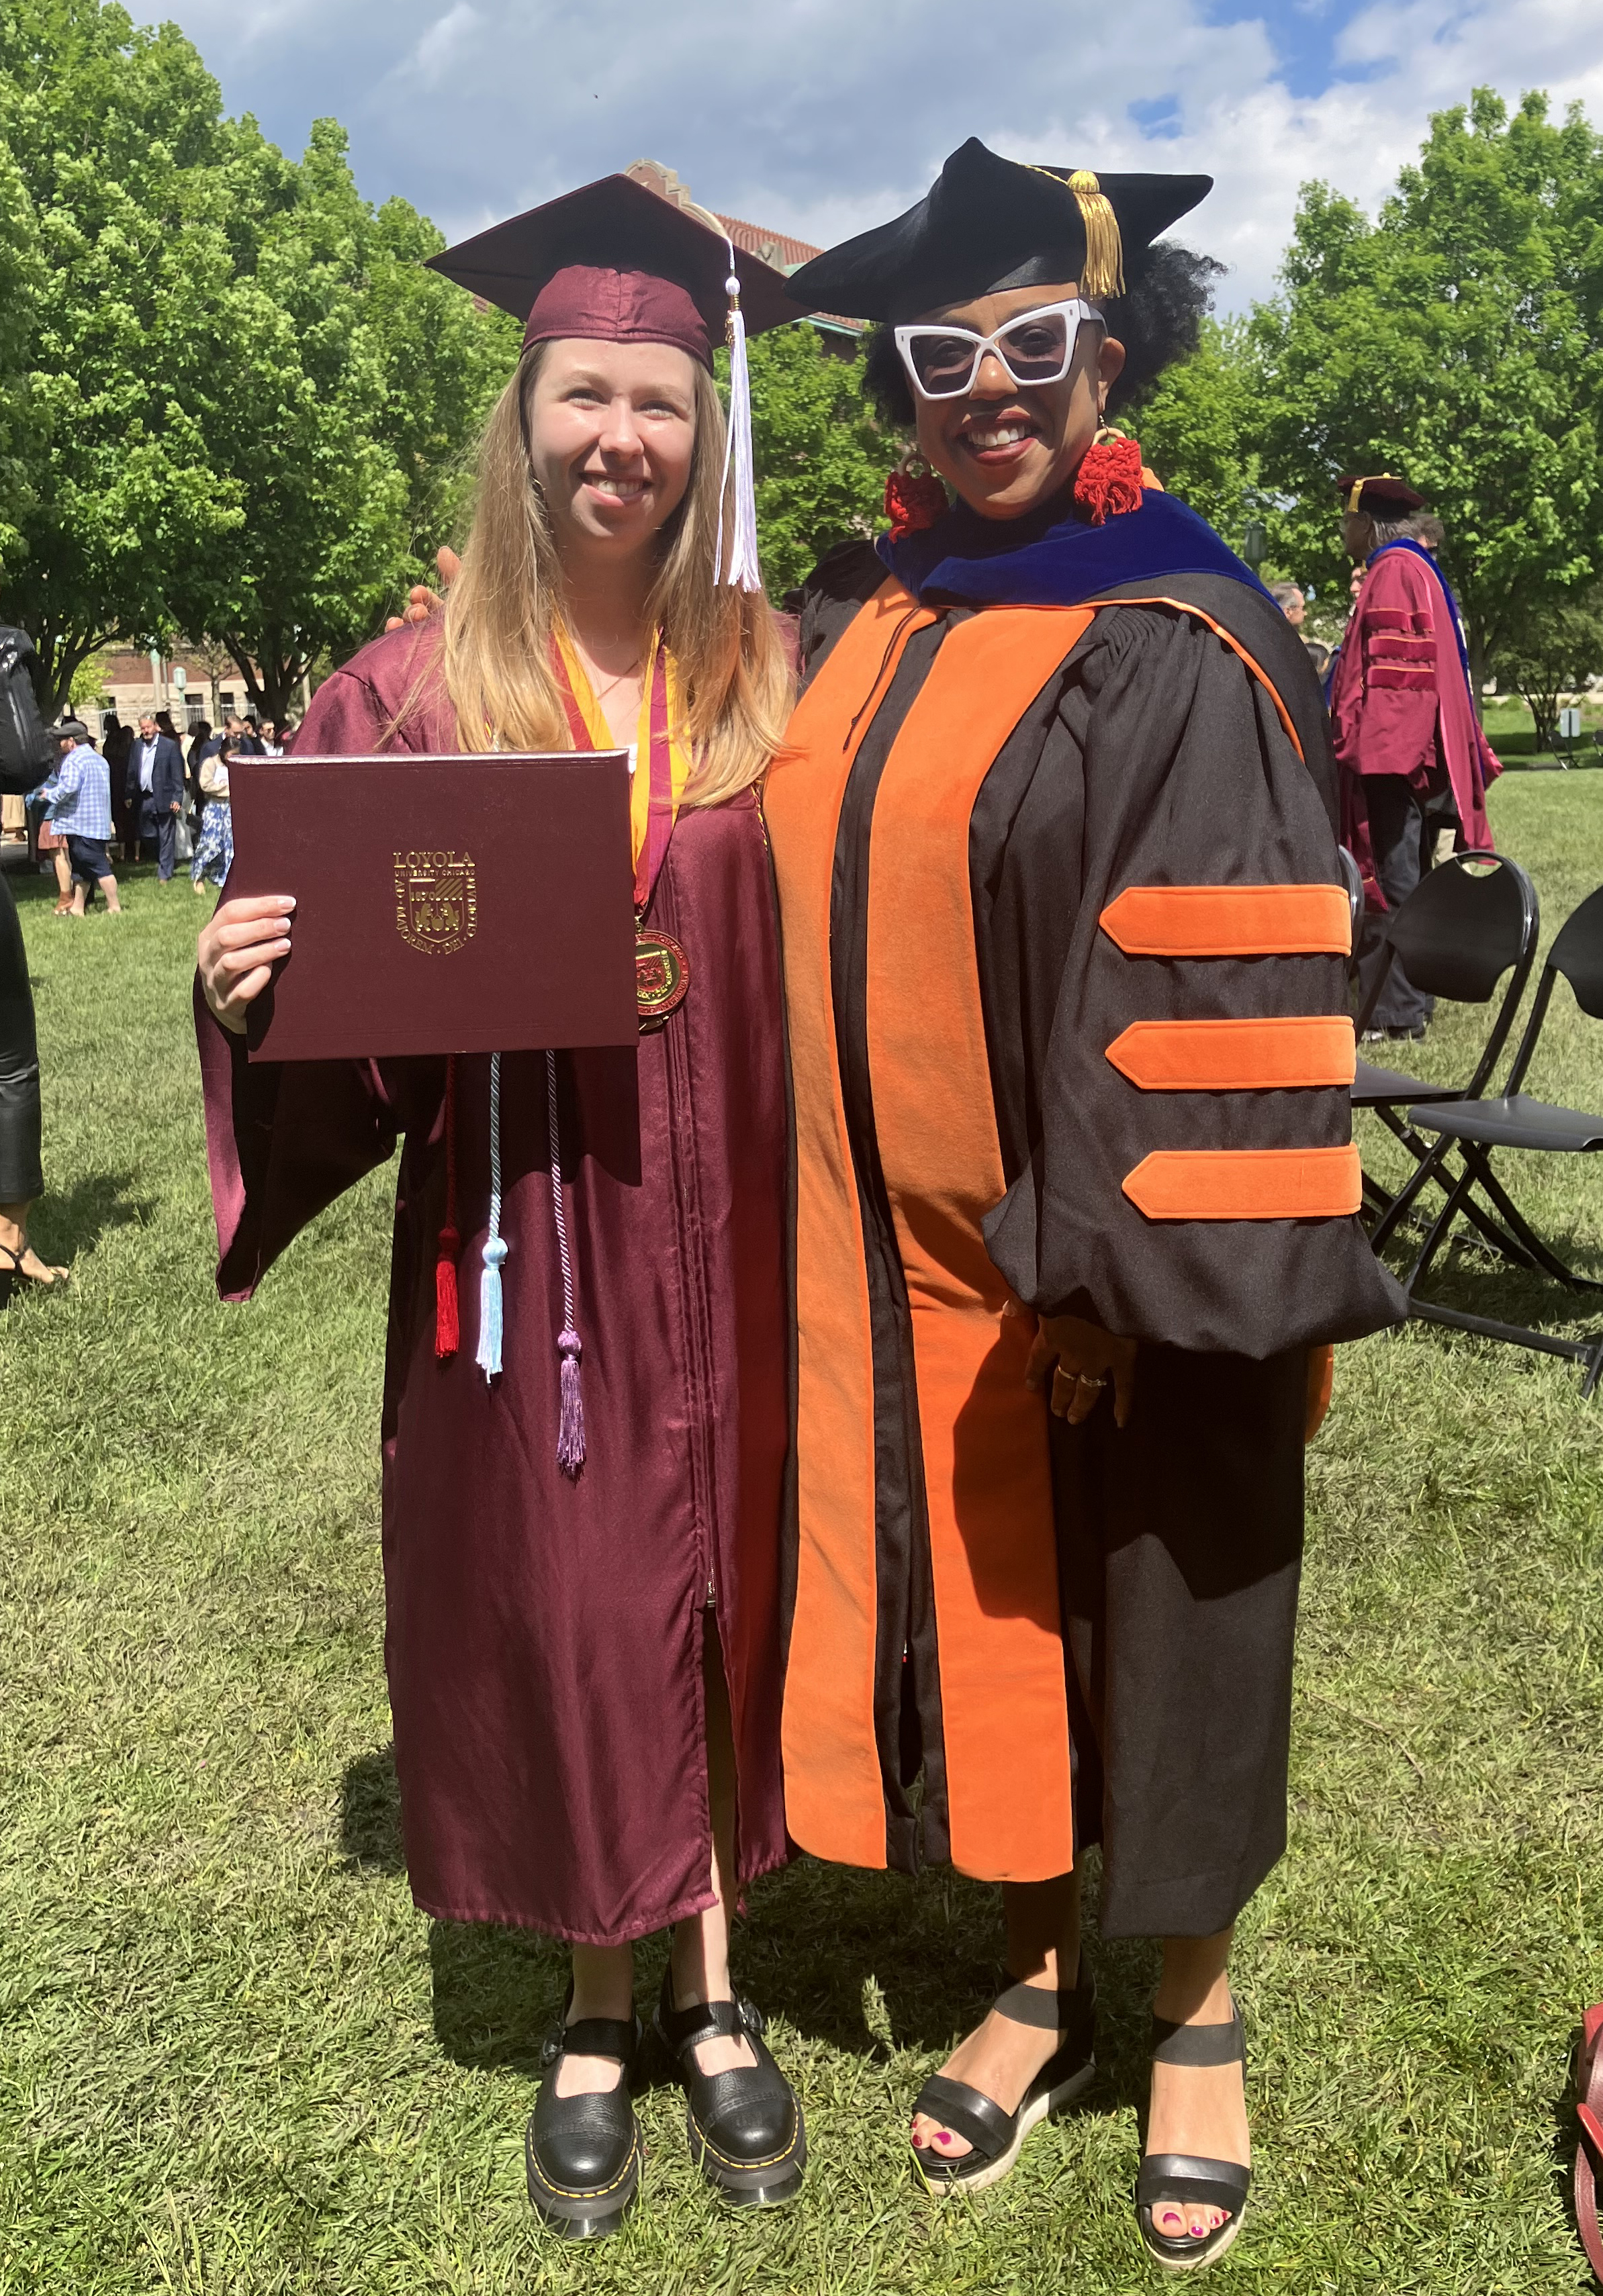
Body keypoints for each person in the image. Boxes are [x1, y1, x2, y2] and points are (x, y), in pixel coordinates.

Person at [766, 141, 1404, 2269]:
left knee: (1173, 1593)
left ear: (1108, 358)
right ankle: (1039, 1962)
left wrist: (1114, 1267)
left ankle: (1193, 2005)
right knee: (1005, 1627)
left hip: (1130, 1260)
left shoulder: (1177, 628)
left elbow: (1205, 967)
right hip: (910, 1274)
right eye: (943, 358)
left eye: (1034, 348)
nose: (986, 391)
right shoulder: (862, 620)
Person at [193, 175, 806, 2239]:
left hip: (740, 1231)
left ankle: (718, 1986)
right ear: (523, 415)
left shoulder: (768, 674)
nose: (621, 436)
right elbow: (339, 994)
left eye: (658, 399)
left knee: (724, 1582)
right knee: (570, 1600)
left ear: (703, 428)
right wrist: (254, 989)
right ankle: (599, 1989)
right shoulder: (414, 688)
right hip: (531, 1247)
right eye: (582, 397)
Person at [1328, 475, 1500, 1043]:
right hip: (1411, 750)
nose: (1342, 531)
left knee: (1390, 877)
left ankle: (1395, 1012)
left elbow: (1399, 673)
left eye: (1347, 521)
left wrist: (1375, 752)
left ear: (1367, 523)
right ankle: (1411, 1001)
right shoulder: (1415, 565)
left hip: (1394, 753)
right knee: (1410, 879)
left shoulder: (1394, 570)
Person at [32, 721, 122, 917]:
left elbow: (68, 788)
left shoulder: (74, 760)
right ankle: (77, 908)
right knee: (81, 871)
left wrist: (49, 794)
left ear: (71, 741)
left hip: (80, 824)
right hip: (98, 823)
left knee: (100, 867)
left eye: (62, 740)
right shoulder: (100, 760)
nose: (60, 745)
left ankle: (115, 907)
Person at [128, 712, 186, 879]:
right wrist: (129, 794)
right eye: (142, 728)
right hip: (144, 798)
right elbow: (132, 771)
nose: (145, 731)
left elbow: (177, 774)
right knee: (148, 834)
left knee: (166, 834)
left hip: (164, 796)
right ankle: (162, 859)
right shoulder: (137, 746)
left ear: (155, 727)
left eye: (148, 727)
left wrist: (177, 797)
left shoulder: (169, 746)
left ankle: (165, 873)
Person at [189, 728, 237, 893]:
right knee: (211, 842)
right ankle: (199, 876)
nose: (233, 759)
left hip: (232, 809)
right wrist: (227, 789)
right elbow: (206, 785)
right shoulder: (210, 763)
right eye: (231, 755)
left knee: (230, 844)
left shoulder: (238, 765)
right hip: (215, 809)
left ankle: (227, 880)